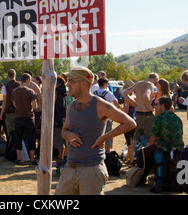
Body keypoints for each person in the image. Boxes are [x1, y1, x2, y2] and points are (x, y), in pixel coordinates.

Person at [55, 66, 136, 195]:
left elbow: (130, 123)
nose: (68, 84)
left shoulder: (100, 105)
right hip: (69, 168)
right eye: (68, 81)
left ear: (83, 83)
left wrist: (103, 137)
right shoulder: (72, 106)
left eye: (71, 81)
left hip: (91, 170)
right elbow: (64, 131)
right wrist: (68, 134)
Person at [136, 96, 184, 186]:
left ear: (162, 106)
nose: (156, 106)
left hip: (165, 148)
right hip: (177, 148)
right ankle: (155, 175)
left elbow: (153, 137)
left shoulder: (159, 118)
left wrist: (149, 146)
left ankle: (140, 179)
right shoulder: (177, 118)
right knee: (150, 152)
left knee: (142, 152)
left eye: (157, 104)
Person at [122, 73, 159, 145]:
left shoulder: (138, 84)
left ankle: (132, 156)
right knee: (149, 138)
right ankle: (147, 155)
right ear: (155, 79)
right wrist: (150, 108)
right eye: (156, 81)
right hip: (147, 114)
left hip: (138, 114)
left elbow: (124, 93)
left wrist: (134, 103)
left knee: (135, 138)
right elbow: (146, 96)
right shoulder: (150, 85)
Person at [11, 73, 39, 165]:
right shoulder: (31, 92)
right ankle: (32, 159)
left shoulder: (14, 91)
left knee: (18, 138)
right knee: (31, 138)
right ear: (27, 80)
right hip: (29, 118)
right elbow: (34, 106)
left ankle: (18, 158)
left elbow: (14, 104)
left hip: (18, 117)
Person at [93, 77, 120, 152]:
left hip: (96, 117)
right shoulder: (108, 93)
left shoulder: (94, 93)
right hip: (107, 118)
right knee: (107, 136)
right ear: (105, 84)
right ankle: (107, 153)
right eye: (107, 83)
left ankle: (96, 151)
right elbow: (117, 104)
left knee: (96, 135)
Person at [0, 69, 20, 137]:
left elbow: (4, 101)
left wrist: (1, 114)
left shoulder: (5, 86)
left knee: (10, 131)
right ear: (15, 75)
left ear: (8, 76)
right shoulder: (19, 85)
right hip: (19, 111)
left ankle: (11, 146)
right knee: (18, 131)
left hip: (9, 111)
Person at [122, 80, 136, 166]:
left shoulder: (127, 99)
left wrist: (120, 110)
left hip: (128, 121)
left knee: (129, 142)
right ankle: (129, 159)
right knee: (132, 141)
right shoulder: (135, 97)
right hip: (134, 120)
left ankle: (131, 160)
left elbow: (126, 111)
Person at [54, 76, 68, 161]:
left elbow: (53, 103)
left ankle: (60, 157)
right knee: (64, 138)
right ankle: (64, 156)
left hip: (57, 117)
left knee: (58, 138)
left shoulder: (57, 91)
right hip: (64, 117)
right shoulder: (65, 91)